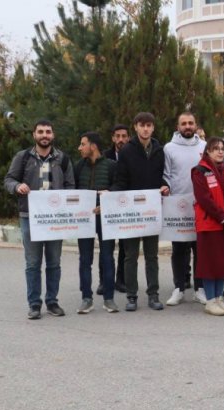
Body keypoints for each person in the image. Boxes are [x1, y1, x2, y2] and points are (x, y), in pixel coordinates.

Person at [4, 120, 75, 319]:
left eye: (48, 132)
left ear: (53, 135)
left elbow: (71, 186)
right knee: (33, 263)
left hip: (55, 220)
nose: (45, 135)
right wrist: (17, 187)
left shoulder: (63, 158)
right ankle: (34, 304)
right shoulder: (23, 157)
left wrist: (66, 203)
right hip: (29, 217)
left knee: (54, 263)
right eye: (41, 132)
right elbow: (9, 180)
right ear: (34, 134)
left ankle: (52, 302)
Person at [110, 112, 168, 312]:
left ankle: (153, 295)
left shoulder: (160, 150)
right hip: (132, 212)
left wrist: (165, 186)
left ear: (153, 128)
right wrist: (111, 197)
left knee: (152, 255)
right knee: (130, 255)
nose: (146, 129)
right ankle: (132, 296)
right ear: (135, 127)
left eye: (149, 125)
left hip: (151, 211)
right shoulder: (127, 151)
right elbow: (120, 180)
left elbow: (164, 176)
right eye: (142, 125)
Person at [191, 138, 224, 316]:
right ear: (208, 152)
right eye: (215, 149)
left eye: (222, 148)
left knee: (222, 263)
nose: (220, 152)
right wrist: (223, 217)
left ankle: (219, 298)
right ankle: (210, 300)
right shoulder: (200, 171)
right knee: (210, 264)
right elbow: (205, 199)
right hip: (209, 225)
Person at [74, 132, 119, 314]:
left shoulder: (111, 166)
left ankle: (109, 299)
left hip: (105, 219)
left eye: (82, 144)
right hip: (85, 219)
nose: (79, 147)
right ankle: (86, 298)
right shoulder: (78, 167)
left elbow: (119, 187)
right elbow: (73, 189)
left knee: (107, 257)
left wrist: (106, 200)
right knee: (85, 259)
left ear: (93, 146)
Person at [164, 112, 206, 306]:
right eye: (184, 123)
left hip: (201, 206)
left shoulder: (204, 147)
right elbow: (166, 175)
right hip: (178, 206)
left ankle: (199, 289)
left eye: (190, 123)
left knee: (200, 250)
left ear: (196, 125)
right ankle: (179, 288)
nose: (187, 126)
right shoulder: (169, 148)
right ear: (178, 126)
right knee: (179, 250)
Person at [105, 124, 130, 294]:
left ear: (128, 138)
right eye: (117, 136)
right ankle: (105, 280)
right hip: (107, 205)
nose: (121, 139)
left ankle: (121, 280)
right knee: (106, 247)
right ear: (113, 138)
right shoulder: (105, 156)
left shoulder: (131, 155)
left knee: (124, 247)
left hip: (126, 206)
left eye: (124, 136)